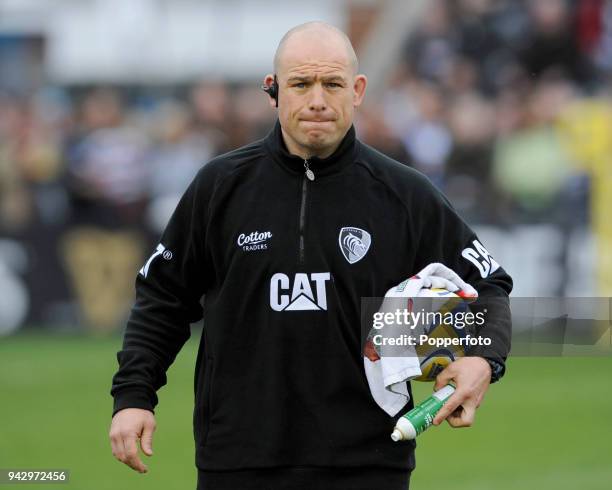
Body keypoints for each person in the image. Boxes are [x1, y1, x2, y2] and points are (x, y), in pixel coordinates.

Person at [109, 21, 512, 490]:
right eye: (301, 84)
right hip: (237, 462)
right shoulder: (219, 188)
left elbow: (489, 284)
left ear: (357, 90)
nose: (317, 99)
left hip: (370, 465)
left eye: (332, 83)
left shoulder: (405, 195)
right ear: (274, 90)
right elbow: (162, 299)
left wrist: (483, 359)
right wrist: (134, 396)